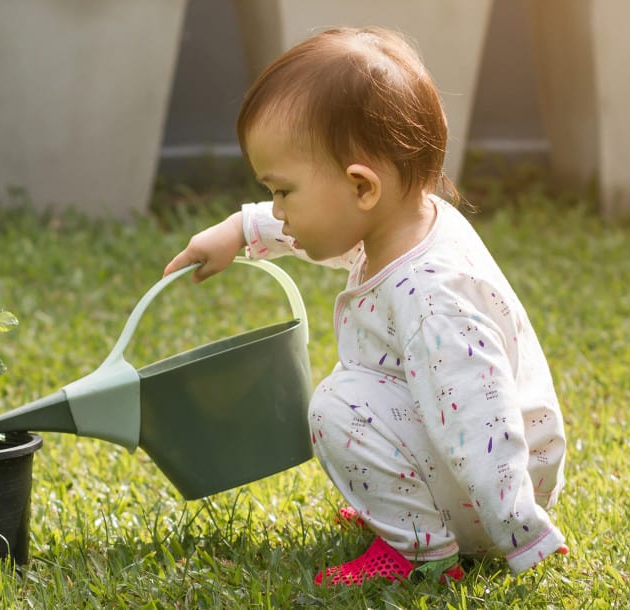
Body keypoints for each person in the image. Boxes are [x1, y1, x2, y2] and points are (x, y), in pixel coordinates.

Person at [163, 26, 568, 586]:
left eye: (282, 193)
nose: (278, 209)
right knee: (359, 393)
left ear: (362, 187)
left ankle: (423, 549)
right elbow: (328, 234)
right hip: (472, 464)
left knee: (338, 407)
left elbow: (481, 414)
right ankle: (412, 496)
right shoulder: (404, 219)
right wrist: (240, 229)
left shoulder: (433, 300)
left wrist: (520, 531)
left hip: (491, 485)